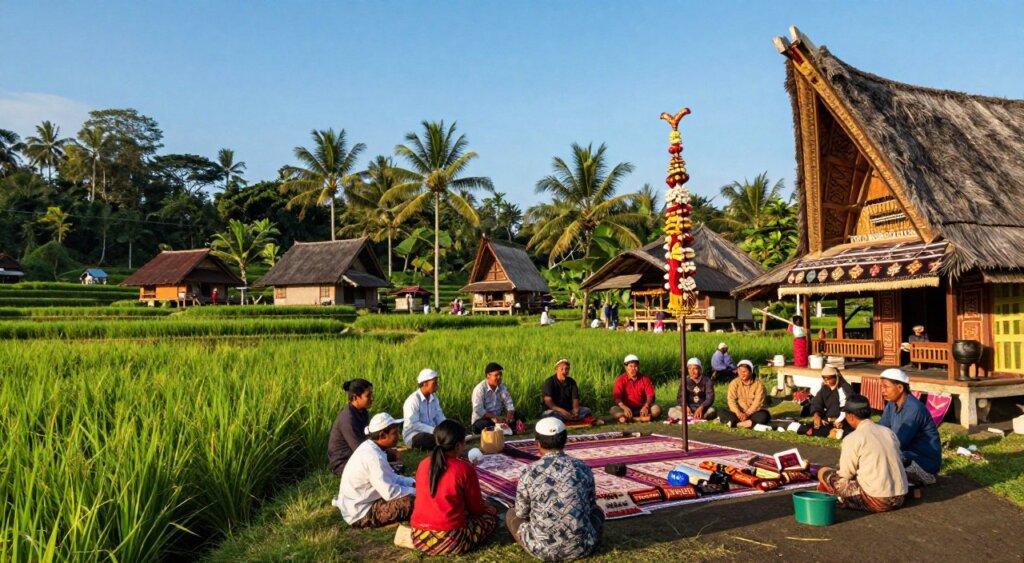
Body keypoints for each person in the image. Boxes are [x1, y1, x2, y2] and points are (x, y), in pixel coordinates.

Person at [506, 417, 604, 561]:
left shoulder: (529, 471)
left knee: (511, 514)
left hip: (542, 549)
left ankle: (537, 540)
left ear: (537, 443)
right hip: (582, 547)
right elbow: (590, 506)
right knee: (598, 512)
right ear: (565, 440)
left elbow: (521, 512)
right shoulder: (582, 467)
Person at [410, 420, 498, 555]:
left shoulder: (422, 464)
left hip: (419, 536)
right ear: (458, 445)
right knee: (490, 515)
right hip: (451, 540)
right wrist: (487, 508)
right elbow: (477, 510)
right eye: (464, 443)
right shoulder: (464, 469)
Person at [817, 394, 908, 513]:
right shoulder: (888, 432)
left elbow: (845, 475)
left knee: (824, 472)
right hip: (900, 497)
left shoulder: (852, 438)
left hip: (877, 499)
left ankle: (838, 498)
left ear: (850, 416)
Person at [333, 413, 416, 528]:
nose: (398, 436)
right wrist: (417, 491)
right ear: (382, 435)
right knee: (412, 502)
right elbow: (391, 493)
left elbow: (391, 478)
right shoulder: (374, 457)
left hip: (361, 503)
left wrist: (413, 482)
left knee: (412, 492)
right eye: (394, 433)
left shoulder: (372, 448)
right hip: (360, 513)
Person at [877, 368, 941, 485]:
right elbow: (882, 427)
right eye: (881, 387)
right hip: (905, 454)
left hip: (922, 461)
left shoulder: (914, 408)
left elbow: (900, 442)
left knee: (881, 469)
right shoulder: (892, 404)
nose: (882, 390)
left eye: (885, 387)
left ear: (900, 388)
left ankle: (924, 477)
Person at [328, 379, 398, 476]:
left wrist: (387, 452)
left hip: (358, 455)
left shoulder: (363, 412)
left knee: (392, 460)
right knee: (389, 468)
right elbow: (359, 449)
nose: (372, 398)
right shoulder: (348, 419)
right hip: (344, 463)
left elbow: (368, 439)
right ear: (355, 397)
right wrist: (386, 458)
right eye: (368, 396)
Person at [471, 362, 526, 433]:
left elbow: (509, 404)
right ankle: (509, 428)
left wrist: (509, 416)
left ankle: (504, 427)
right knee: (486, 424)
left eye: (500, 375)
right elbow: (478, 409)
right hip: (484, 419)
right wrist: (494, 418)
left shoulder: (502, 387)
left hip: (499, 419)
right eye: (496, 375)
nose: (499, 377)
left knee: (520, 416)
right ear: (488, 376)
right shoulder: (479, 389)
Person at [799, 366, 854, 437]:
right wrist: (817, 415)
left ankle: (837, 432)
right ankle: (834, 432)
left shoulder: (845, 388)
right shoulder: (824, 388)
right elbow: (816, 402)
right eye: (824, 378)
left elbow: (849, 406)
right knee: (814, 428)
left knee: (849, 430)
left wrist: (840, 420)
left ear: (836, 377)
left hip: (845, 418)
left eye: (829, 378)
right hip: (830, 419)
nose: (826, 381)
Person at [541, 358, 599, 424]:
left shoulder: (572, 382)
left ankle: (570, 418)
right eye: (562, 369)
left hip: (569, 410)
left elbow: (575, 399)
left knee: (587, 410)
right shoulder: (549, 382)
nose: (564, 371)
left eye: (567, 369)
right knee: (549, 415)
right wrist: (562, 411)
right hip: (555, 410)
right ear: (556, 370)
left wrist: (576, 411)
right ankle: (569, 419)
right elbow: (548, 402)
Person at [403, 368, 446, 450]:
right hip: (415, 434)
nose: (437, 385)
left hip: (434, 432)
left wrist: (447, 427)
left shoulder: (434, 398)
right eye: (434, 383)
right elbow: (414, 424)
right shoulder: (413, 400)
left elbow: (439, 417)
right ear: (425, 383)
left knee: (452, 430)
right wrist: (434, 430)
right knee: (427, 439)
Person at [611, 354, 662, 422]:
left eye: (635, 366)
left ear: (638, 366)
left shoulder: (645, 379)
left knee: (657, 409)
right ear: (626, 367)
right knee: (613, 409)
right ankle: (643, 419)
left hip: (642, 408)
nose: (633, 369)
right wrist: (624, 407)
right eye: (630, 366)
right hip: (627, 409)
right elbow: (617, 397)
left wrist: (646, 406)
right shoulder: (620, 380)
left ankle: (630, 419)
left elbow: (651, 395)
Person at [719, 360, 770, 428]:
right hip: (738, 414)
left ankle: (736, 424)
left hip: (753, 413)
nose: (741, 374)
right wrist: (738, 413)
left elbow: (757, 403)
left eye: (744, 371)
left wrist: (747, 414)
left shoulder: (759, 385)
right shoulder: (734, 383)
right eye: (739, 371)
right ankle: (747, 424)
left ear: (751, 372)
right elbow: (731, 400)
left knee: (764, 416)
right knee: (722, 412)